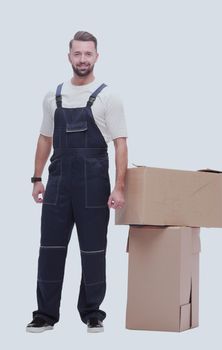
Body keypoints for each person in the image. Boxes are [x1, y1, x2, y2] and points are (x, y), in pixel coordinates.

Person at [26, 30, 128, 334]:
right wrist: (36, 178)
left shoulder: (109, 96)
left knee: (94, 250)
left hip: (94, 186)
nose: (82, 59)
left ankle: (93, 313)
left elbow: (120, 144)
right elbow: (45, 138)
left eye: (88, 54)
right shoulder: (52, 96)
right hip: (57, 184)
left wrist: (119, 186)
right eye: (77, 53)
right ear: (69, 56)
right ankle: (44, 315)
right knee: (50, 250)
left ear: (96, 56)